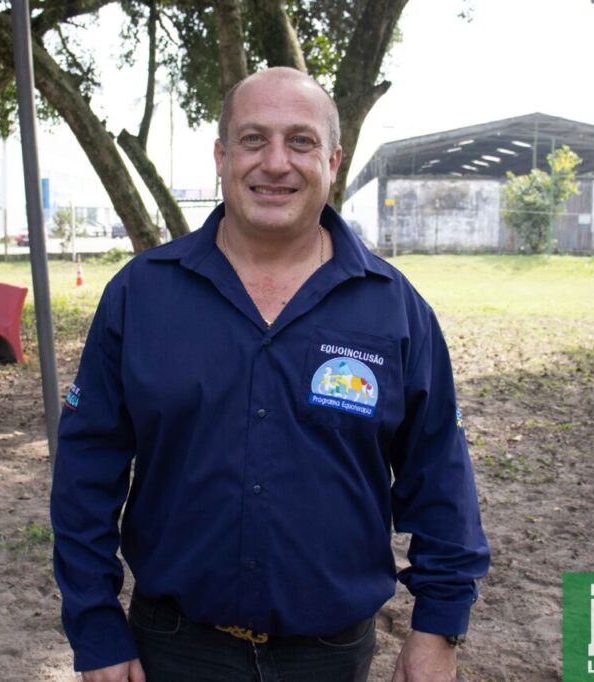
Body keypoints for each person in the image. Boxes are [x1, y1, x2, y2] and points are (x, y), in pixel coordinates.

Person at [51, 67, 490, 682]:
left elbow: (440, 475)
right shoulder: (140, 296)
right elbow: (85, 472)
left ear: (333, 159)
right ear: (222, 156)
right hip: (173, 651)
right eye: (254, 139)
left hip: (330, 657)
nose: (276, 163)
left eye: (301, 141)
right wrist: (95, 625)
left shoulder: (394, 308)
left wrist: (439, 630)